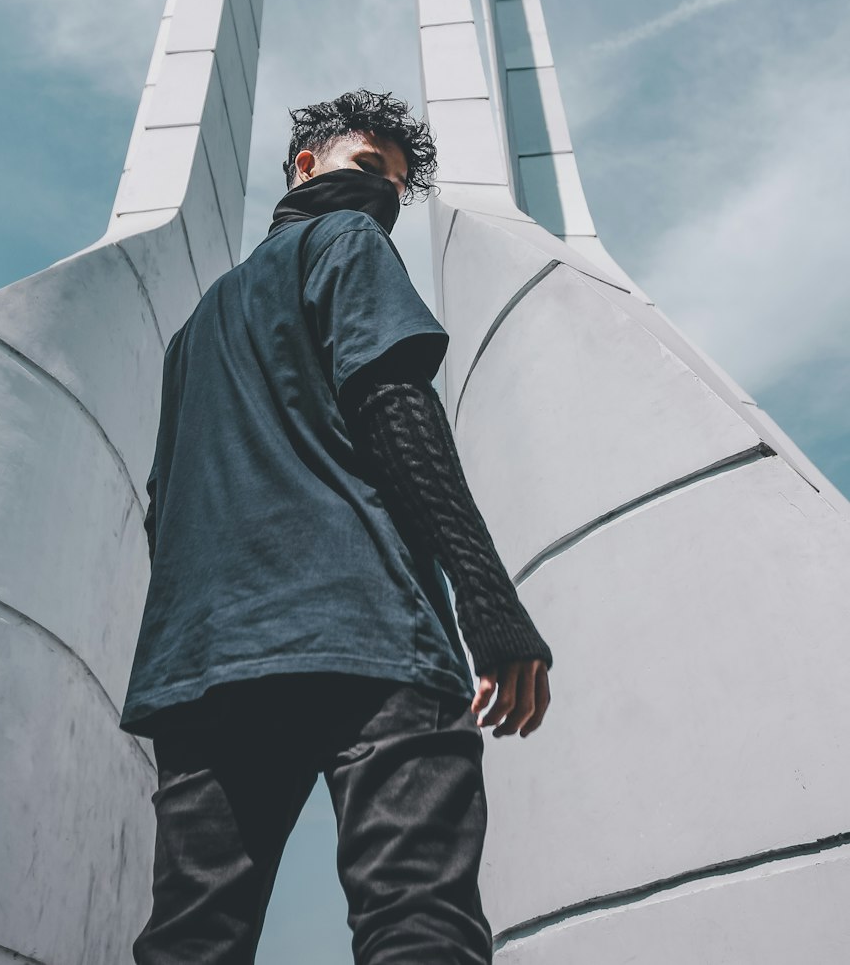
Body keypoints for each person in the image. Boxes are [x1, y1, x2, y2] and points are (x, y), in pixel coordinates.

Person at [121, 88, 552, 965]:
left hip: (205, 668)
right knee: (417, 919)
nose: (385, 198)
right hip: (367, 635)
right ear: (305, 166)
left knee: (191, 938)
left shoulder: (193, 333)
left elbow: (162, 509)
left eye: (397, 186)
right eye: (369, 169)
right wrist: (490, 603)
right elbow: (396, 409)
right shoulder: (347, 241)